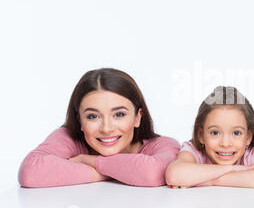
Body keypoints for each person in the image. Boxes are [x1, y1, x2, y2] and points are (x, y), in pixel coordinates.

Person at [18, 68, 179, 188]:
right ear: (79, 119)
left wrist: (89, 161)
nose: (107, 128)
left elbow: (152, 173)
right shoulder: (68, 137)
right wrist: (118, 172)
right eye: (93, 116)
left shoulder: (164, 145)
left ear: (138, 117)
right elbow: (30, 173)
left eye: (119, 114)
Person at [165, 86, 254, 189]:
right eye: (215, 133)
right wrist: (235, 169)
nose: (226, 144)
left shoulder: (250, 154)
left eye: (236, 133)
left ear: (248, 137)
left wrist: (211, 181)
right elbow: (174, 175)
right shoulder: (194, 150)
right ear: (201, 135)